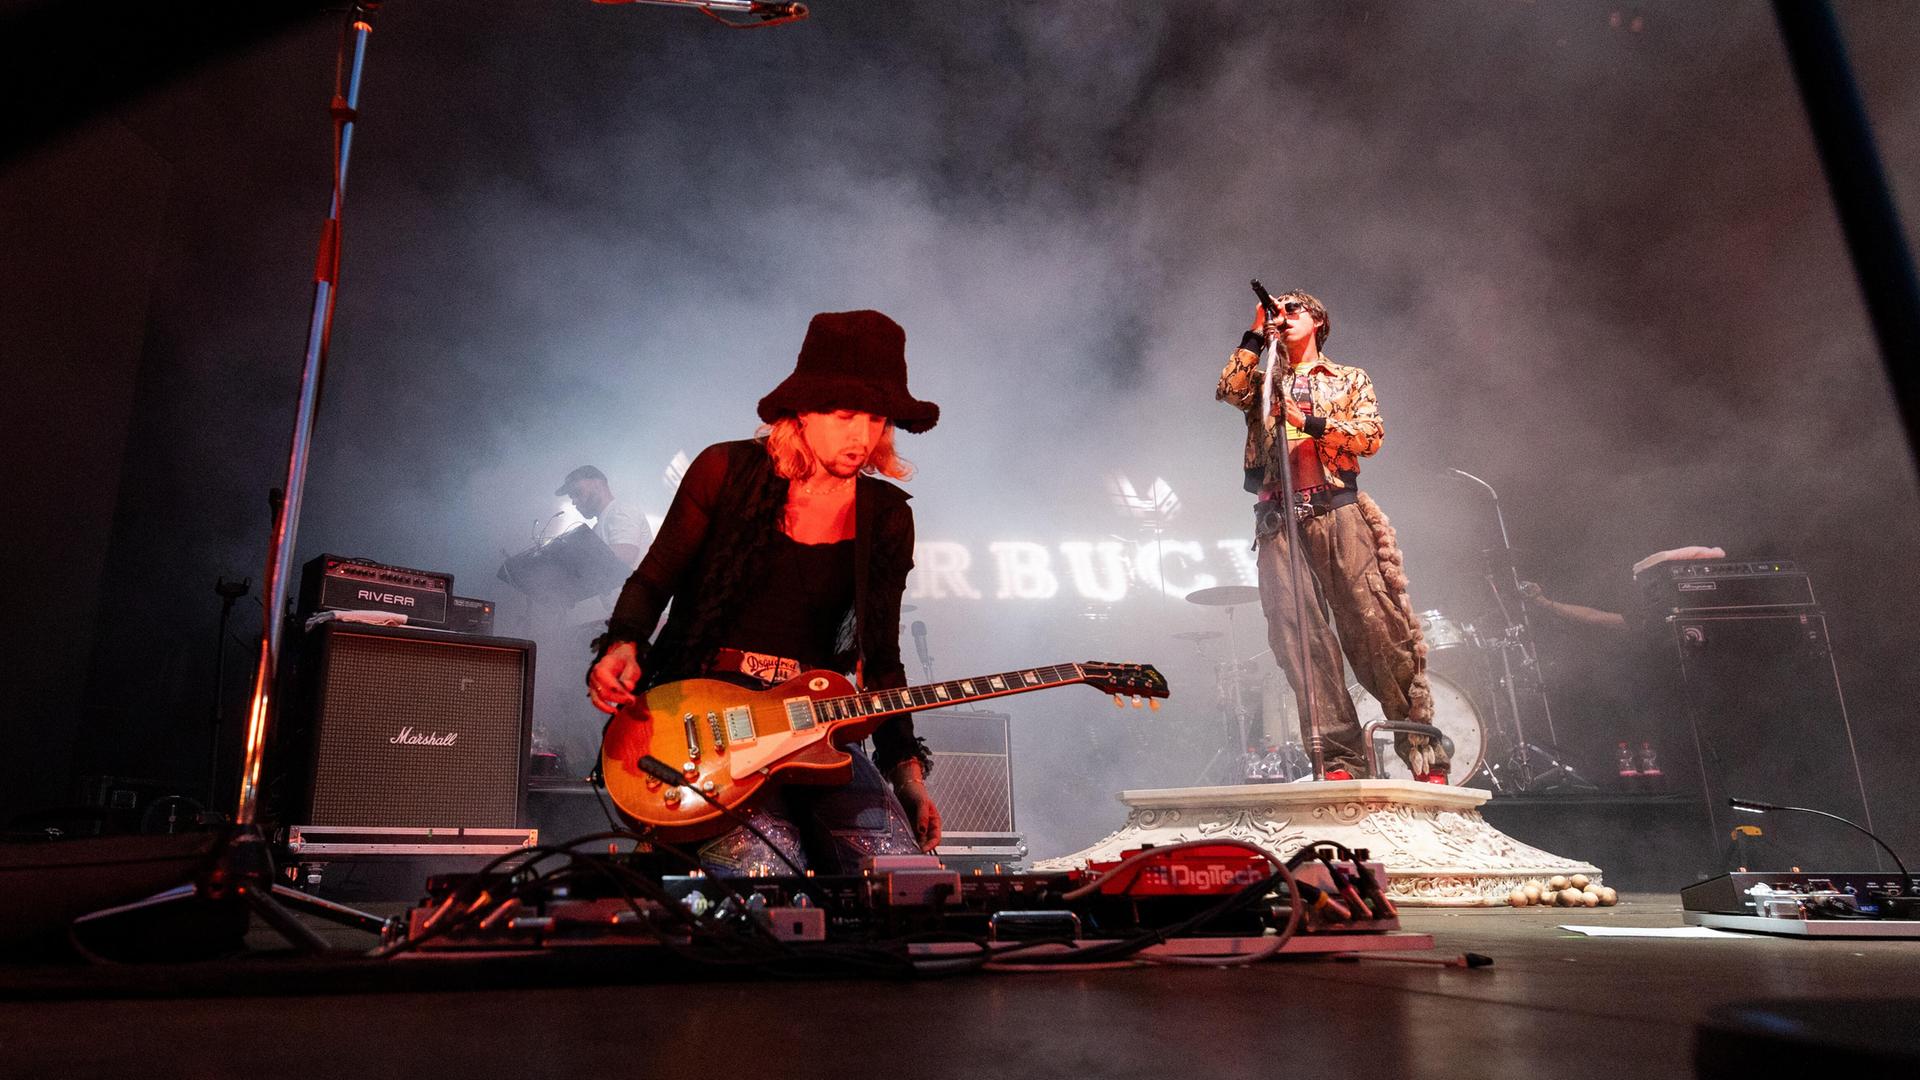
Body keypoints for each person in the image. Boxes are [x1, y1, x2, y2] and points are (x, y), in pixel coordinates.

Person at [585, 309, 942, 874]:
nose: (862, 435)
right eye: (846, 414)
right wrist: (622, 646)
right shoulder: (723, 469)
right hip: (709, 722)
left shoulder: (888, 519)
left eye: (875, 418)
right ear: (802, 409)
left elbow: (882, 659)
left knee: (897, 878)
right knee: (766, 877)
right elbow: (653, 578)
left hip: (814, 724)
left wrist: (908, 779)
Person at [1215, 289, 1445, 782]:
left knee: (1375, 626)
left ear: (1318, 320)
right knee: (1298, 636)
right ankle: (1339, 758)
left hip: (1335, 508)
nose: (1285, 316)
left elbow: (1370, 435)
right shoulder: (1262, 378)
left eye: (1293, 309)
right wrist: (1257, 333)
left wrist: (1309, 421)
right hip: (1278, 518)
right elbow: (1227, 389)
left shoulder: (1347, 378)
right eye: (1279, 311)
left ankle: (1420, 746)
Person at [556, 464, 648, 572]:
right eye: (571, 497)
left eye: (577, 492)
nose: (574, 501)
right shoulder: (600, 524)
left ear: (598, 484)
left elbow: (627, 553)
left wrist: (574, 555)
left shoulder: (620, 510)